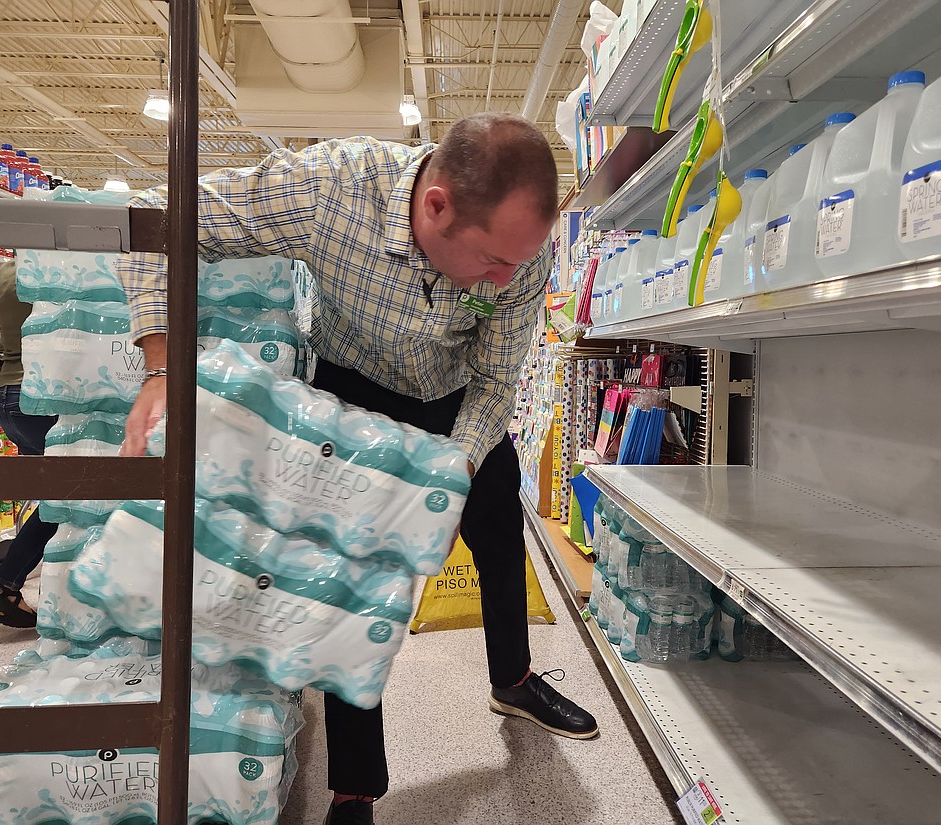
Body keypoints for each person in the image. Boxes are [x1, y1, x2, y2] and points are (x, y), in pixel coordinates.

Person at [117, 113, 598, 825]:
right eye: (495, 261)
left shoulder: (520, 253)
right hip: (355, 389)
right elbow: (159, 216)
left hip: (460, 394)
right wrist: (160, 366)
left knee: (499, 534)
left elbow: (498, 380)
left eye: (520, 262)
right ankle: (354, 785)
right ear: (436, 205)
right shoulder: (332, 187)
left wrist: (452, 471)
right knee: (349, 581)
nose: (508, 278)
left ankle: (515, 678)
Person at [0, 260, 58, 628]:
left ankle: (10, 583)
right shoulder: (69, 267)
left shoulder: (6, 271)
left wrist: (12, 344)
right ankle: (3, 583)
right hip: (49, 394)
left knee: (54, 495)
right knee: (75, 494)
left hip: (9, 399)